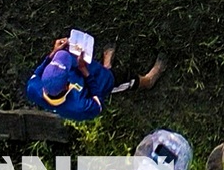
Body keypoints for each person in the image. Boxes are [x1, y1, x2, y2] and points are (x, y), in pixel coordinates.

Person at [24, 37, 164, 122]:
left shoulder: (33, 87)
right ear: (67, 86)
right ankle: (148, 81)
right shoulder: (80, 108)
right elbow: (98, 102)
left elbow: (38, 71)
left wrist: (53, 54)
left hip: (83, 71)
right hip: (99, 82)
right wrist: (85, 73)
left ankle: (106, 65)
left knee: (100, 67)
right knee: (122, 77)